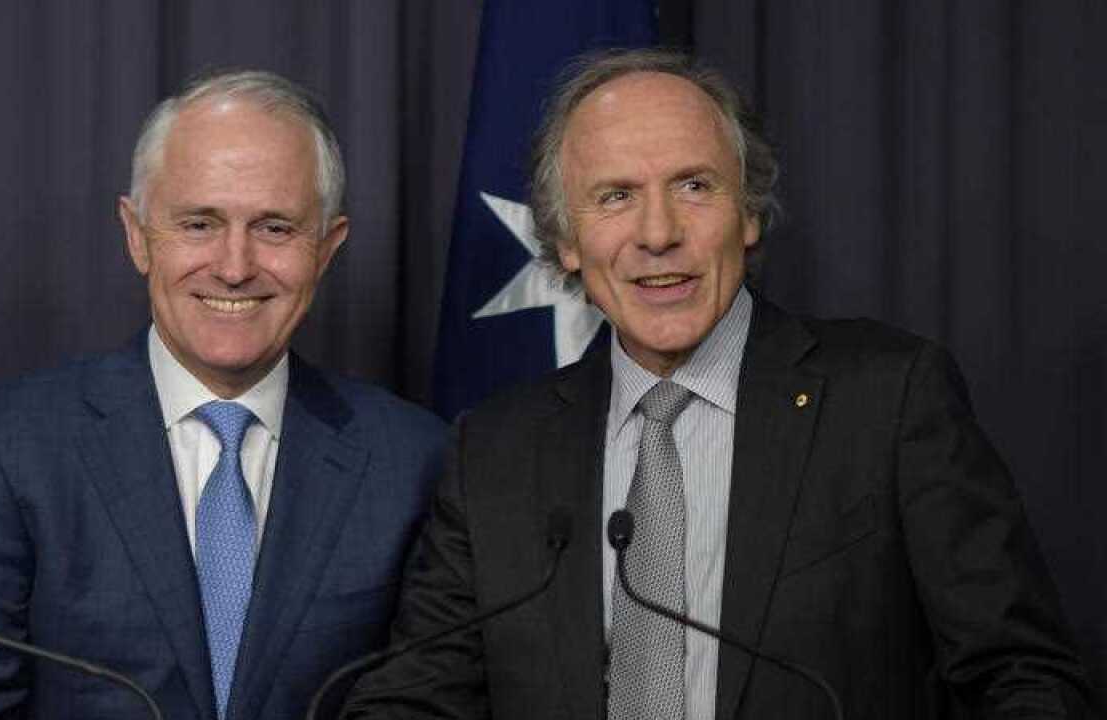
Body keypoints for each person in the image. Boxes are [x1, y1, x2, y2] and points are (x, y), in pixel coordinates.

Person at [342, 49, 1098, 719]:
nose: (658, 232)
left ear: (748, 214)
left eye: (694, 185)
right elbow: (416, 695)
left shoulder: (890, 399)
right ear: (567, 243)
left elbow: (1022, 677)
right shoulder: (496, 451)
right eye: (614, 197)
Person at [0, 70, 445, 720]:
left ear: (328, 248)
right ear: (136, 234)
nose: (234, 266)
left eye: (276, 228)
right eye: (199, 224)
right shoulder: (10, 448)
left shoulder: (413, 460)